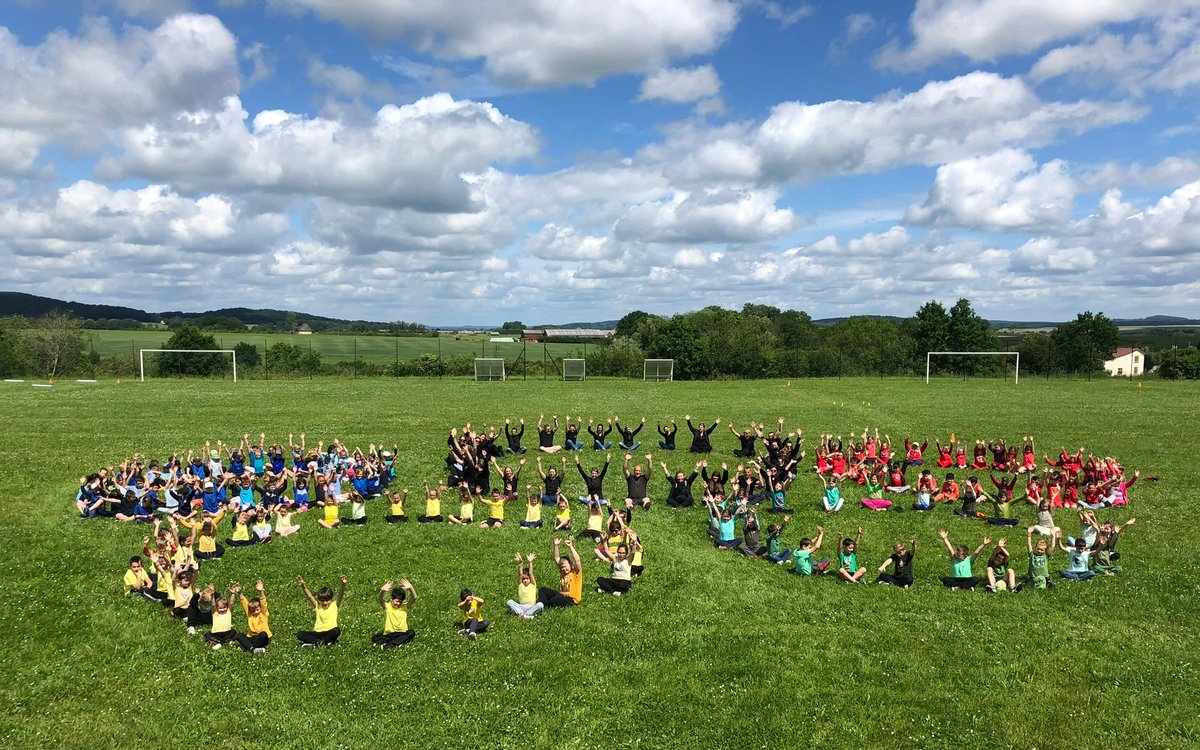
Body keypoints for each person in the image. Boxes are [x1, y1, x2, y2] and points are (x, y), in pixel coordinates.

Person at [296, 575, 346, 646]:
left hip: (329, 631)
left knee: (336, 631)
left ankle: (317, 643)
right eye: (322, 601)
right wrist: (303, 586)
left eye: (327, 600)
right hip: (317, 633)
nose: (325, 603)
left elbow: (340, 594)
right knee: (300, 634)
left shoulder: (334, 605)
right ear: (319, 600)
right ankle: (322, 643)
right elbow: (310, 597)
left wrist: (343, 584)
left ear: (331, 599)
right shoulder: (317, 606)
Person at [538, 537, 582, 607]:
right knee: (542, 590)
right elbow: (556, 558)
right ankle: (541, 606)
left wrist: (570, 547)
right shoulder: (563, 573)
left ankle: (548, 604)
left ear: (571, 565)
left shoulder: (575, 573)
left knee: (554, 599)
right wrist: (556, 545)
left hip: (571, 600)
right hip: (560, 595)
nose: (564, 569)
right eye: (562, 567)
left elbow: (577, 561)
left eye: (565, 566)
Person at [373, 579, 417, 648]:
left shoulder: (404, 607)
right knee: (375, 637)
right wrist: (382, 590)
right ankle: (397, 642)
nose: (398, 603)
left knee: (411, 632)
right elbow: (380, 599)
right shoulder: (387, 606)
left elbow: (414, 598)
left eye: (400, 601)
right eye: (397, 601)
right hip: (389, 634)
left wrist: (411, 588)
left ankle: (390, 645)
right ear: (391, 599)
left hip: (402, 633)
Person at [232, 581, 272, 653]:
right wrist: (239, 593)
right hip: (251, 637)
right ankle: (253, 649)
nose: (255, 612)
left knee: (263, 634)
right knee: (239, 635)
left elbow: (263, 603)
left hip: (262, 638)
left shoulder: (264, 613)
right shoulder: (250, 614)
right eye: (253, 610)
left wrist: (261, 592)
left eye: (257, 609)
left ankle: (247, 647)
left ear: (260, 608)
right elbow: (244, 603)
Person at [507, 553, 546, 618]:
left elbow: (530, 573)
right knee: (509, 602)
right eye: (524, 579)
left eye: (527, 578)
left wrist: (530, 562)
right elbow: (520, 574)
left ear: (530, 579)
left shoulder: (533, 584)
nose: (525, 580)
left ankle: (526, 615)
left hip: (531, 607)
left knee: (540, 605)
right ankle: (522, 614)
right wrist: (520, 564)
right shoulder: (520, 585)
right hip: (521, 606)